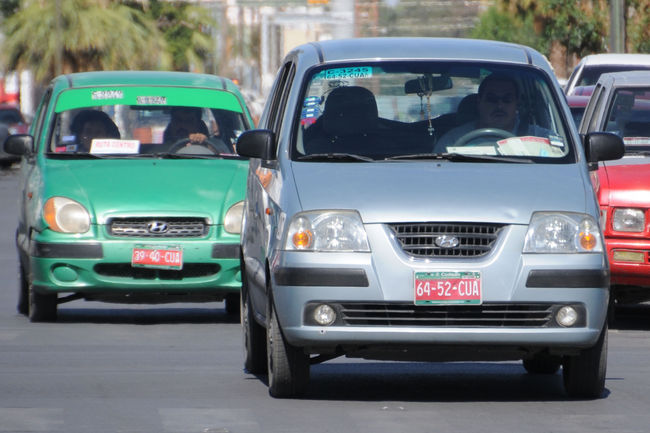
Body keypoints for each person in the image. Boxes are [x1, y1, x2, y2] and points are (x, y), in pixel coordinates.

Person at [435, 73, 552, 152]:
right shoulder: (452, 141)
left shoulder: (540, 139)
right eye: (492, 99)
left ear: (517, 103)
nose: (500, 106)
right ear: (479, 102)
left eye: (507, 99)